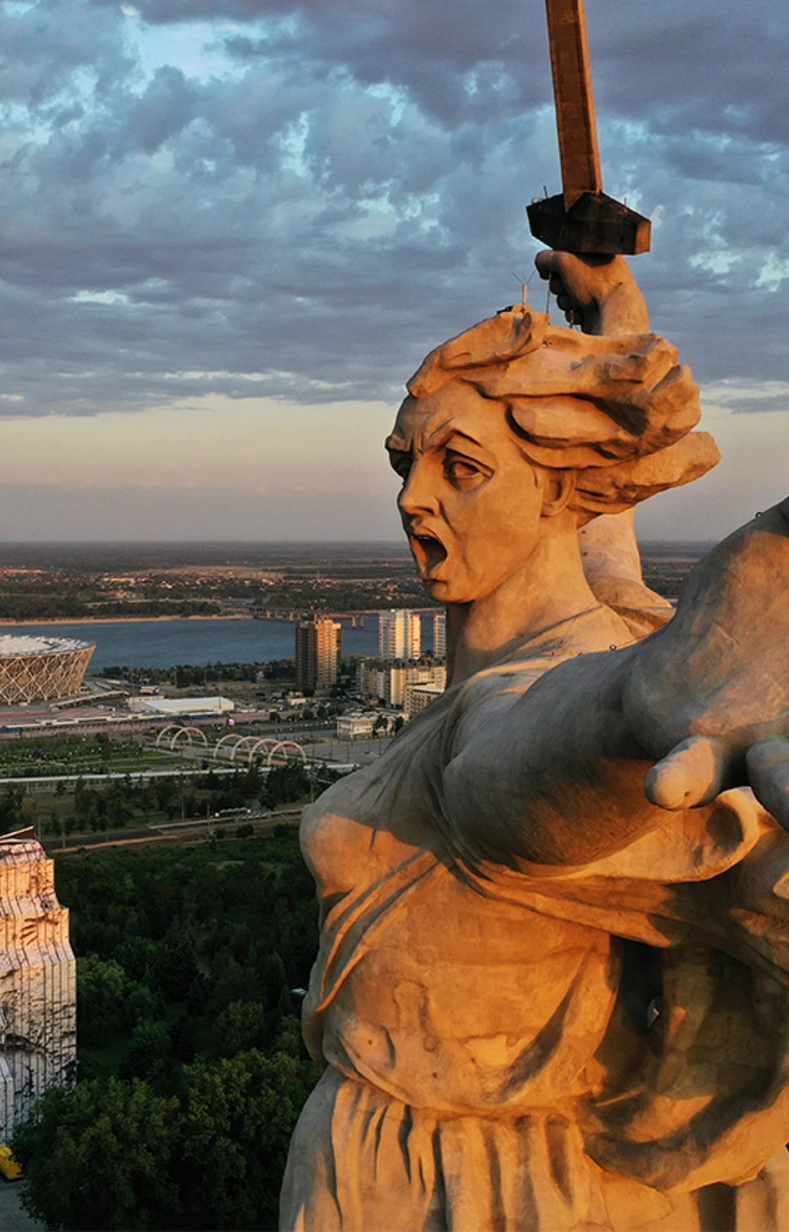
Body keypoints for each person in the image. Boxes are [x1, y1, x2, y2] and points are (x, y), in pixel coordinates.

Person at [280, 253, 789, 1231]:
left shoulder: (528, 702)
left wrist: (640, 702)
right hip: (478, 1160)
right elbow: (606, 538)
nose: (411, 498)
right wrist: (613, 322)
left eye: (459, 469)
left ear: (557, 492)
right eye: (405, 462)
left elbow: (522, 769)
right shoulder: (609, 609)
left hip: (447, 1181)